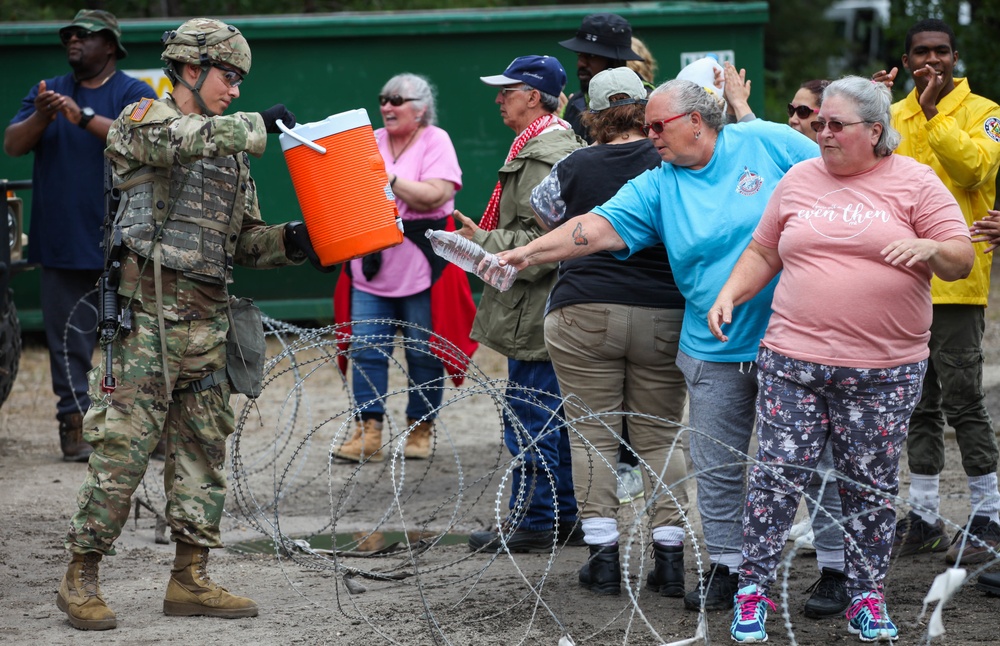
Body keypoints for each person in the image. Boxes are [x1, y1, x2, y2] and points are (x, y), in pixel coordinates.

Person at [492, 79, 817, 609]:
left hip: (789, 334)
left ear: (697, 121)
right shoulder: (659, 181)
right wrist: (528, 253)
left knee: (794, 461)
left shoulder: (764, 139)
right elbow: (593, 228)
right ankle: (726, 568)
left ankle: (834, 569)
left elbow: (836, 178)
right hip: (707, 341)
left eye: (659, 126)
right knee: (713, 462)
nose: (651, 137)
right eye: (647, 128)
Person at [56, 18, 323, 631]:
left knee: (202, 454)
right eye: (227, 77)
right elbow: (179, 141)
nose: (235, 90)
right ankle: (82, 574)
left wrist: (296, 241)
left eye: (239, 82)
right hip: (145, 324)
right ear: (190, 69)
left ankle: (190, 577)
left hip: (207, 324)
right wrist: (257, 127)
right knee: (120, 452)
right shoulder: (140, 120)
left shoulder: (231, 160)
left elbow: (244, 243)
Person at [707, 75, 973, 644]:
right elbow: (764, 249)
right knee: (776, 478)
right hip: (794, 360)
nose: (821, 133)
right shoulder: (801, 180)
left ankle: (866, 597)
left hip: (883, 372)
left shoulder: (915, 183)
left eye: (835, 125)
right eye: (819, 122)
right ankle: (752, 592)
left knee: (868, 486)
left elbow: (960, 259)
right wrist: (732, 292)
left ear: (875, 131)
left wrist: (929, 247)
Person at [530, 67, 688, 595]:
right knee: (661, 434)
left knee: (592, 433)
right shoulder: (673, 162)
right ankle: (669, 560)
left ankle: (602, 559)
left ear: (591, 115)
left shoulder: (573, 164)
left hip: (583, 309)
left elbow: (545, 214)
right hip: (664, 310)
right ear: (647, 110)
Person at [874, 18, 1000, 565]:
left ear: (956, 57)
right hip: (895, 281)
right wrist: (872, 113)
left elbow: (973, 171)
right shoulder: (890, 114)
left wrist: (930, 114)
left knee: (965, 402)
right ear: (906, 58)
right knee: (916, 406)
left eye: (942, 52)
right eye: (921, 52)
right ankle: (923, 517)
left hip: (956, 285)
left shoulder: (987, 114)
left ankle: (988, 517)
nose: (933, 61)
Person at [3, 10, 152, 463]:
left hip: (124, 242)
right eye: (68, 35)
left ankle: (142, 428)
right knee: (68, 343)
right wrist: (45, 117)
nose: (72, 40)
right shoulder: (47, 91)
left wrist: (82, 115)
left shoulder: (132, 92)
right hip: (62, 241)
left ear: (110, 45)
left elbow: (138, 138)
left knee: (135, 340)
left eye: (83, 36)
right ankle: (74, 426)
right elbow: (13, 143)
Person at [457, 55, 586, 553]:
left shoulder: (541, 153)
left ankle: (536, 519)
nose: (498, 99)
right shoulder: (549, 143)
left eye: (507, 91)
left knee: (530, 414)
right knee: (546, 412)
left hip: (533, 305)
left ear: (534, 96)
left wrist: (483, 242)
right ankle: (564, 514)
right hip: (538, 303)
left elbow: (544, 238)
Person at [330, 73, 464, 463]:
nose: (387, 106)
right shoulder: (370, 139)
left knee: (423, 352)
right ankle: (368, 431)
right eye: (383, 99)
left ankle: (420, 425)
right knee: (367, 349)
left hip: (422, 266)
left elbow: (436, 195)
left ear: (421, 109)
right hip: (371, 264)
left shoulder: (436, 140)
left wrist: (387, 179)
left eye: (397, 100)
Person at [558, 13, 643, 143]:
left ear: (615, 61)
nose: (581, 63)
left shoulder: (646, 102)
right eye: (579, 55)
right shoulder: (575, 102)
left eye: (591, 56)